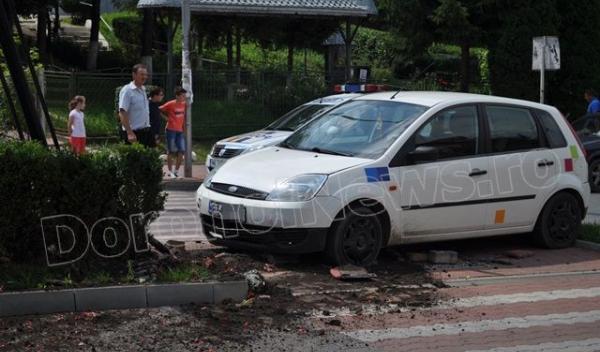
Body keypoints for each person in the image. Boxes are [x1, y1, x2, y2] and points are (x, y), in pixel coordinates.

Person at [118, 63, 154, 147]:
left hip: (146, 131)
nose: (144, 77)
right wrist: (129, 132)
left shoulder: (143, 89)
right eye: (142, 74)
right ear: (134, 75)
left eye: (146, 75)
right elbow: (122, 112)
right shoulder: (127, 90)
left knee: (149, 158)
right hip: (134, 133)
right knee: (134, 159)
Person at [160, 87, 187, 178]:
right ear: (177, 96)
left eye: (184, 95)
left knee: (182, 151)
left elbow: (184, 116)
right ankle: (170, 172)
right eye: (182, 96)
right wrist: (167, 118)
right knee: (171, 151)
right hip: (170, 130)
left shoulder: (184, 104)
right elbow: (159, 110)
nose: (184, 97)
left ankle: (176, 171)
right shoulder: (170, 104)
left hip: (180, 131)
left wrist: (184, 128)